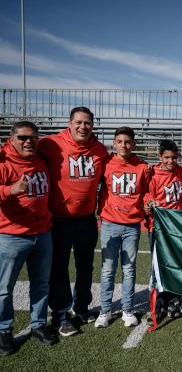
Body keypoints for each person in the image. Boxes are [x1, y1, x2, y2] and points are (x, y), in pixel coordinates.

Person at [39, 106, 108, 337]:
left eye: (87, 123)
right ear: (69, 123)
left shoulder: (99, 149)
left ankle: (82, 307)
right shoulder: (51, 144)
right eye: (78, 122)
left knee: (85, 267)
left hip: (87, 219)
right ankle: (60, 315)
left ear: (93, 126)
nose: (83, 126)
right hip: (59, 220)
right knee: (59, 268)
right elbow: (22, 152)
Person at [0, 122, 58, 355]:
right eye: (22, 137)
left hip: (42, 233)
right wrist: (8, 190)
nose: (28, 141)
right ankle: (3, 330)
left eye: (33, 137)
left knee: (41, 283)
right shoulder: (3, 162)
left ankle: (38, 325)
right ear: (12, 139)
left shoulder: (41, 158)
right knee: (4, 288)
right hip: (11, 235)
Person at [94, 127, 151, 328]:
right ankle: (105, 310)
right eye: (120, 141)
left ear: (133, 144)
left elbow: (145, 191)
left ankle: (127, 309)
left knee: (129, 269)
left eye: (128, 142)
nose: (124, 145)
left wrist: (148, 202)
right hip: (109, 223)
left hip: (132, 225)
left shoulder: (142, 166)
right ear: (114, 143)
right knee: (108, 270)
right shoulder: (106, 163)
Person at [144, 139, 182, 320]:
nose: (170, 161)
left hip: (176, 226)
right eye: (167, 158)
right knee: (159, 265)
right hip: (158, 226)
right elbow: (146, 195)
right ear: (159, 157)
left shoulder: (181, 172)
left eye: (174, 158)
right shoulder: (153, 174)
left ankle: (175, 300)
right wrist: (148, 203)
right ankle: (160, 300)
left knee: (176, 264)